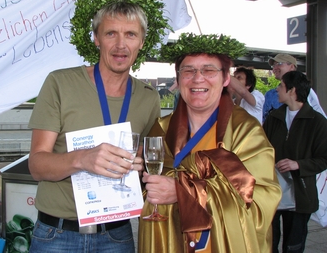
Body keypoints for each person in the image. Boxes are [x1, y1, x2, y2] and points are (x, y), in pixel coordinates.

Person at [27, 1, 160, 252]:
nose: (121, 45)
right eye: (111, 33)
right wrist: (83, 159)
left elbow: (145, 166)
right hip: (57, 235)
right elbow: (36, 166)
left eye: (130, 34)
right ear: (96, 38)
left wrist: (140, 169)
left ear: (141, 42)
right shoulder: (60, 83)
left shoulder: (148, 97)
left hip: (117, 235)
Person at [138, 33, 281, 253]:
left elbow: (260, 197)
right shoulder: (162, 129)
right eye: (188, 71)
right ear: (178, 79)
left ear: (225, 79)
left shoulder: (245, 131)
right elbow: (145, 187)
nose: (198, 79)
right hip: (171, 240)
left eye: (209, 70)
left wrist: (183, 192)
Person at [263, 71, 327, 253]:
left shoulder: (317, 122)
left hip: (300, 195)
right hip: (272, 194)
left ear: (292, 90)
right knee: (268, 244)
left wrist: (298, 164)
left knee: (293, 246)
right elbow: (261, 148)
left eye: (281, 86)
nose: (277, 89)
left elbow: (324, 159)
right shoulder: (274, 117)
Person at [263, 53, 326, 122]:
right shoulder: (270, 94)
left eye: (279, 63)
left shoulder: (304, 90)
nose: (275, 68)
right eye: (274, 65)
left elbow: (318, 118)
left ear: (292, 67)